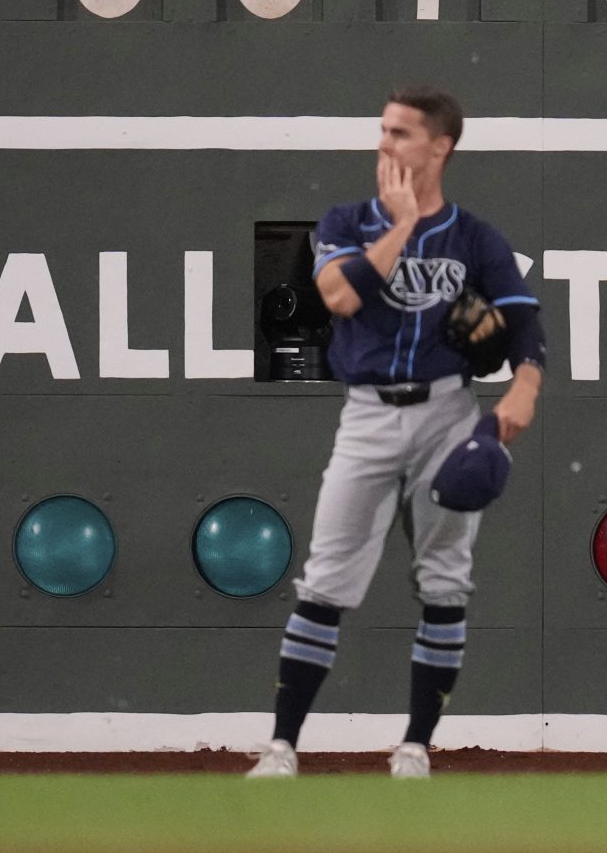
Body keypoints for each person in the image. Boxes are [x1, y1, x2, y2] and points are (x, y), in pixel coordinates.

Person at [246, 87, 545, 780]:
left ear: (439, 146)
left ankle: (416, 744)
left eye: (401, 133)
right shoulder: (345, 220)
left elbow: (522, 317)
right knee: (324, 579)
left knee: (445, 581)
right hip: (368, 411)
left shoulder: (476, 237)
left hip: (447, 408)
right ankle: (282, 745)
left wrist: (527, 380)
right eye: (382, 130)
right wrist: (402, 226)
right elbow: (341, 296)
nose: (385, 144)